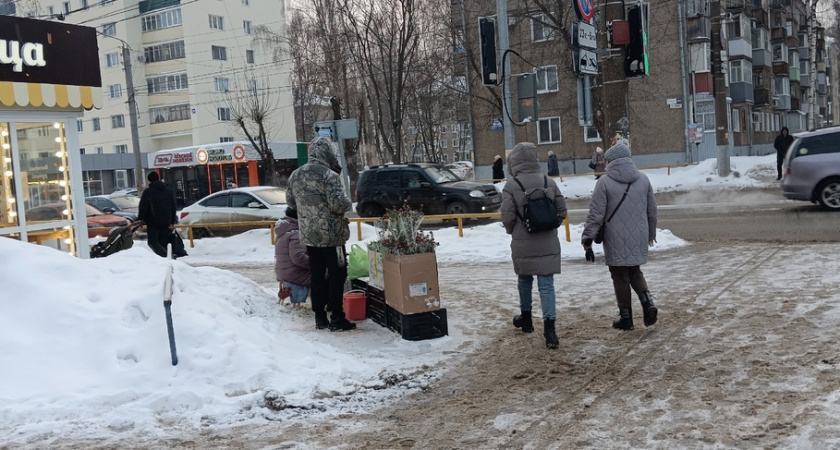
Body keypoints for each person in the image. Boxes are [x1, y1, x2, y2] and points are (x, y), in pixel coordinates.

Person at [581, 141, 658, 331]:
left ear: (613, 161)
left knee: (619, 275)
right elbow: (652, 210)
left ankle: (626, 318)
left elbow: (596, 214)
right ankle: (648, 304)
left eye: (607, 160)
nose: (605, 164)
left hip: (615, 236)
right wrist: (651, 233)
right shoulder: (643, 179)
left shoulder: (604, 182)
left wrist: (587, 240)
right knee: (635, 270)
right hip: (639, 235)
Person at [501, 142, 568, 350]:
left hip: (523, 240)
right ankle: (550, 331)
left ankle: (527, 320)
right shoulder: (548, 181)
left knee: (524, 278)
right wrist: (550, 224)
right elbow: (562, 210)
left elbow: (508, 217)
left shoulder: (511, 186)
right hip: (548, 240)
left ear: (515, 163)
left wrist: (513, 230)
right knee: (546, 284)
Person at [286, 137, 355, 332]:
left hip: (309, 236)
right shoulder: (329, 176)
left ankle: (320, 318)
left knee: (316, 275)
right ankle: (337, 317)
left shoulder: (295, 175)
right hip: (332, 237)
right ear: (327, 153)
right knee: (337, 275)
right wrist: (347, 202)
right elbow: (337, 204)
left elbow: (291, 204)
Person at [274, 208, 310, 308]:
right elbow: (298, 257)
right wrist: (316, 263)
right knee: (327, 273)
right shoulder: (296, 234)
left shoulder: (285, 231)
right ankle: (327, 305)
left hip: (284, 273)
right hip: (294, 274)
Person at [138, 171, 178, 258]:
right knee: (162, 242)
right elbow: (173, 206)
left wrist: (141, 219)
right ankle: (165, 259)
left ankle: (164, 256)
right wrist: (172, 221)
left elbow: (143, 207)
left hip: (153, 221)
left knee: (152, 242)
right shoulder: (168, 191)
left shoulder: (148, 192)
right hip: (166, 221)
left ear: (149, 180)